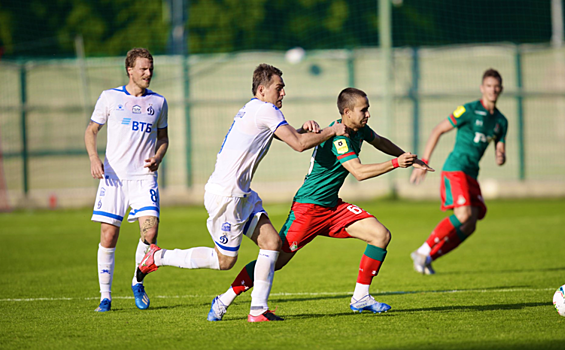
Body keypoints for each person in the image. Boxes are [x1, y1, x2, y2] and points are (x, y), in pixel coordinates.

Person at [136, 63, 348, 322]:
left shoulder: (256, 108)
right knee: (225, 261)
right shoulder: (265, 110)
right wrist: (332, 130)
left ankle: (258, 310)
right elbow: (299, 145)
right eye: (279, 88)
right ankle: (157, 256)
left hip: (241, 194)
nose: (283, 94)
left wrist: (303, 129)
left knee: (272, 243)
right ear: (262, 89)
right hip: (226, 196)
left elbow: (293, 136)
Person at [205, 87, 433, 321]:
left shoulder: (359, 130)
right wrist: (396, 163)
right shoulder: (340, 138)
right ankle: (224, 299)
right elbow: (359, 172)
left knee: (380, 235)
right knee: (275, 260)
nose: (368, 115)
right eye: (363, 110)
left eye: (368, 110)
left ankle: (361, 298)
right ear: (347, 112)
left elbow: (380, 141)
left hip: (332, 208)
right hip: (308, 210)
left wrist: (411, 158)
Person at [85, 48, 169, 312]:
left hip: (144, 178)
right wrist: (93, 158)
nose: (148, 73)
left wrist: (158, 157)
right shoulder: (110, 97)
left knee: (150, 232)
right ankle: (105, 296)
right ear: (130, 70)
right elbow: (91, 130)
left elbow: (164, 138)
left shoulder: (159, 102)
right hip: (114, 178)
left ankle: (137, 280)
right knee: (109, 236)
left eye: (151, 68)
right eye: (143, 68)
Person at [409, 68, 508, 275]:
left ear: (501, 89)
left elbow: (500, 150)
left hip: (471, 174)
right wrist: (424, 161)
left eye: (496, 86)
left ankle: (428, 258)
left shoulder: (501, 121)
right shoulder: (468, 110)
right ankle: (422, 250)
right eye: (489, 86)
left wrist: (501, 156)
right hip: (455, 168)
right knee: (463, 214)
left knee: (471, 223)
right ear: (482, 88)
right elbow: (438, 130)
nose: (493, 90)